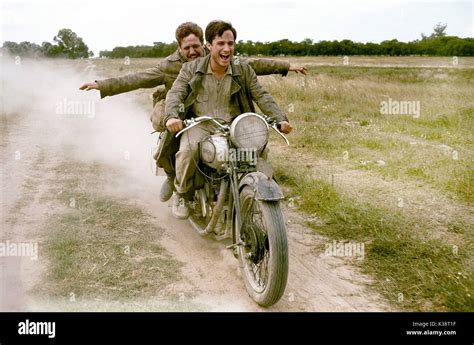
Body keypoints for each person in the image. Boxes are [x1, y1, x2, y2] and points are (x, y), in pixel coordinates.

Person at [80, 22, 305, 203]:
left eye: (195, 46)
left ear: (204, 45)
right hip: (186, 115)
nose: (192, 51)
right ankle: (178, 186)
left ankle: (254, 193)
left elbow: (258, 75)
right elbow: (139, 79)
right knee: (176, 146)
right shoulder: (174, 67)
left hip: (226, 120)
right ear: (180, 48)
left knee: (255, 148)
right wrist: (104, 85)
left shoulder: (233, 63)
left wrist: (281, 108)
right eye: (186, 48)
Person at [164, 20, 292, 219]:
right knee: (187, 150)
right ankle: (182, 193)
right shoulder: (190, 69)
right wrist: (172, 116)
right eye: (221, 44)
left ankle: (254, 193)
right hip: (201, 124)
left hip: (235, 125)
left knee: (257, 151)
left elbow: (262, 95)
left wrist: (280, 119)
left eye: (230, 44)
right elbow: (175, 94)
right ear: (209, 46)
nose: (226, 49)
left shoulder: (243, 69)